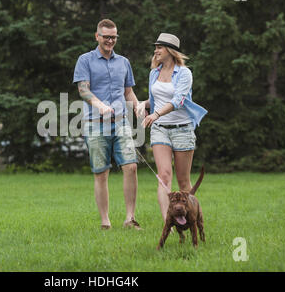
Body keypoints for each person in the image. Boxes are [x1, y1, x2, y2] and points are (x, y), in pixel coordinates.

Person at [73, 19, 142, 230]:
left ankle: (130, 219)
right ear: (97, 37)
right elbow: (83, 90)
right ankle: (105, 222)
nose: (110, 41)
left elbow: (128, 91)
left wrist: (138, 107)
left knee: (131, 167)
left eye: (113, 37)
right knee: (101, 173)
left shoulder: (124, 62)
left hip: (121, 123)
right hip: (95, 124)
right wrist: (99, 104)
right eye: (106, 37)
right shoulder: (85, 60)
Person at [136, 33, 207, 223]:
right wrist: (144, 104)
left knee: (183, 181)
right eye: (156, 47)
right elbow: (155, 101)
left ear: (170, 50)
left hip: (182, 128)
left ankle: (190, 218)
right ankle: (168, 220)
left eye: (160, 47)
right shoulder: (154, 73)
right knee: (164, 176)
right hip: (160, 129)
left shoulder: (184, 73)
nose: (156, 50)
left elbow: (178, 101)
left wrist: (156, 113)